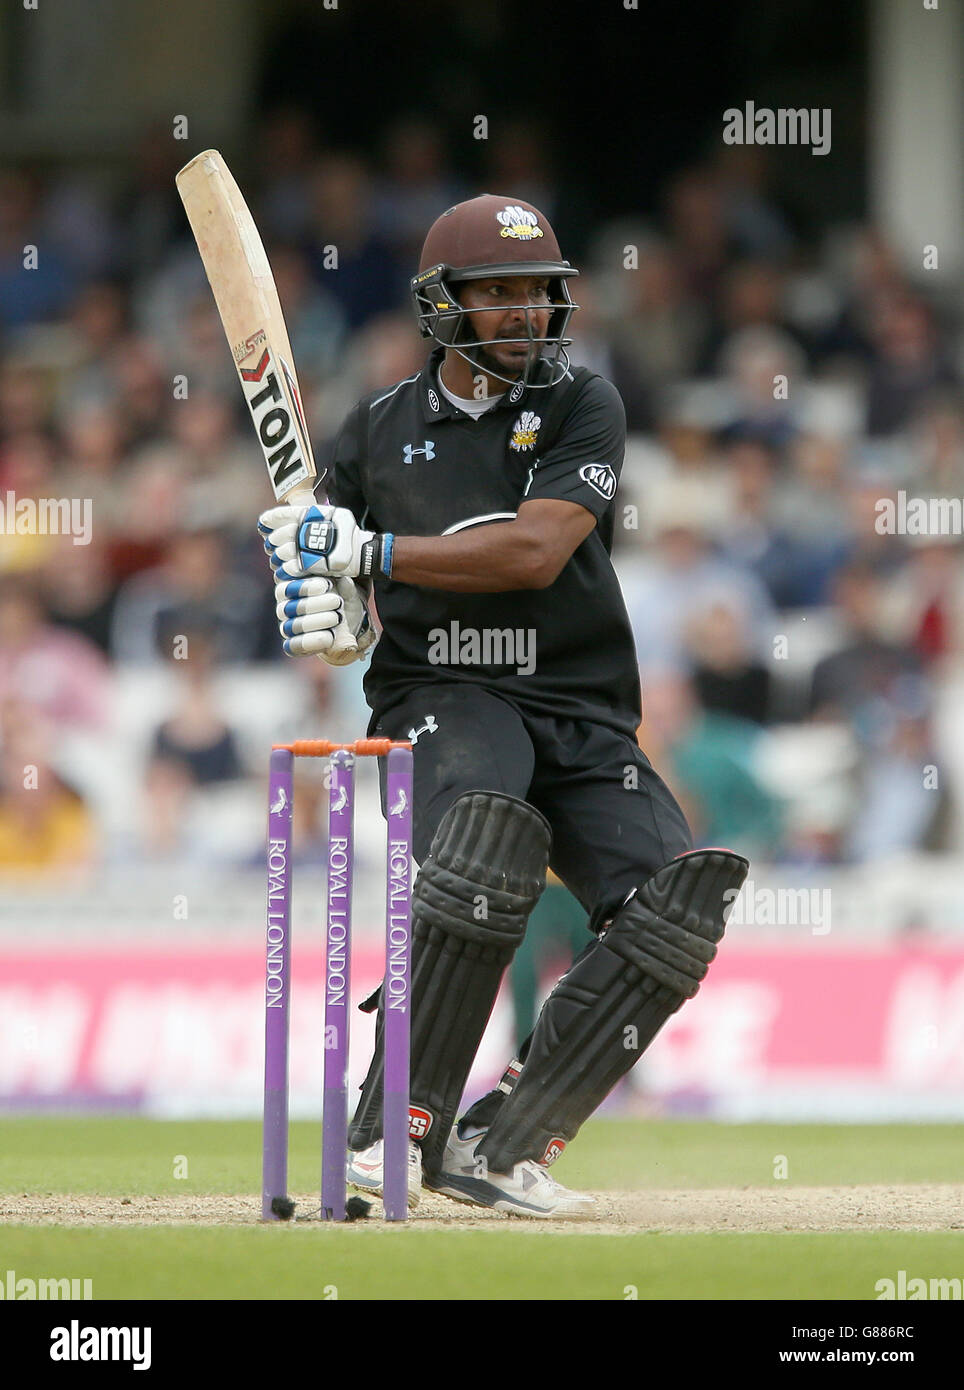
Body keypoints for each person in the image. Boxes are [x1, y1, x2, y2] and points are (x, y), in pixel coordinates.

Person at [259, 195, 749, 1219]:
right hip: (441, 690)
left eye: (540, 289)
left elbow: (534, 552)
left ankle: (502, 1135)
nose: (527, 309)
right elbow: (342, 623)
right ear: (444, 304)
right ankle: (393, 1122)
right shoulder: (376, 431)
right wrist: (312, 597)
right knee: (488, 846)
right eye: (499, 291)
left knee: (675, 899)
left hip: (578, 704)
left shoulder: (584, 403)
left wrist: (371, 553)